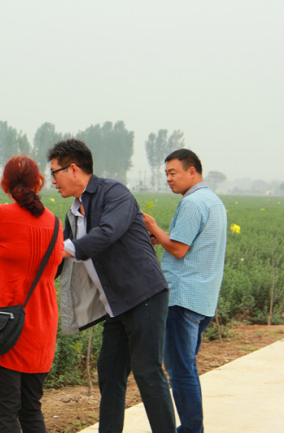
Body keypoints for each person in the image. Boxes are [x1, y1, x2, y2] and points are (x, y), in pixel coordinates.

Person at [47, 139, 176, 433]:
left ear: (73, 169)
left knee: (147, 372)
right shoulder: (74, 211)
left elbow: (107, 232)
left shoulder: (114, 193)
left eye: (55, 173)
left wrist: (63, 249)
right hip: (116, 305)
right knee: (110, 373)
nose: (52, 181)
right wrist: (27, 271)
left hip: (143, 296)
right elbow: (60, 260)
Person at [0, 155, 64, 432]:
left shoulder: (1, 215)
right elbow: (53, 267)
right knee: (31, 409)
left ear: (4, 184)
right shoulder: (55, 223)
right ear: (39, 183)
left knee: (5, 413)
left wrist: (0, 262)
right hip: (42, 325)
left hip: (6, 325)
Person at [142, 149, 227, 433]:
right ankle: (191, 427)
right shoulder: (213, 201)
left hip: (182, 299)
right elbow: (186, 244)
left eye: (173, 173)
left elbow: (178, 249)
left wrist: (153, 226)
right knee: (186, 367)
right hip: (203, 299)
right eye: (166, 174)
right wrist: (162, 238)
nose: (168, 179)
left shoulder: (191, 203)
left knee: (180, 371)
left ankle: (191, 429)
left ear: (192, 171)